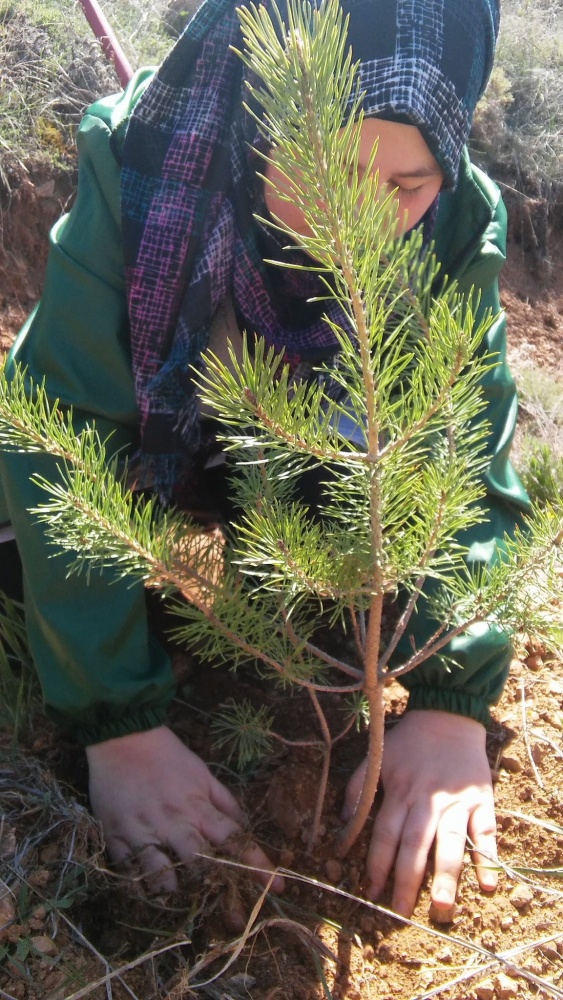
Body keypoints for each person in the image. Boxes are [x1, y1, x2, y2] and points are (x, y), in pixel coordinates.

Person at [0, 0, 531, 918]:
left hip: (322, 465)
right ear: (260, 117)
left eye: (405, 185)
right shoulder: (145, 163)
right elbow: (61, 424)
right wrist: (117, 724)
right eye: (318, 172)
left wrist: (451, 701)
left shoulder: (454, 225)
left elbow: (466, 461)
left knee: (351, 572)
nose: (351, 225)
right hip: (160, 439)